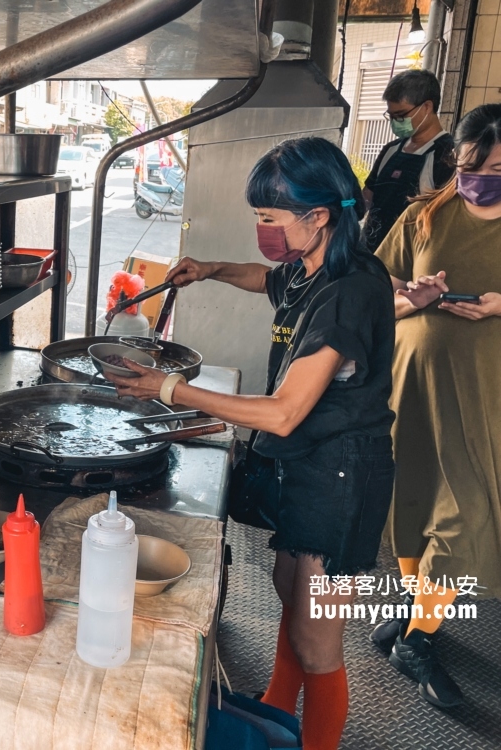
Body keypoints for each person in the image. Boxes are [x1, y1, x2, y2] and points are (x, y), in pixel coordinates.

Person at [106, 138, 396, 750]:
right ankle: (275, 716)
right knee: (290, 600)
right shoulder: (311, 266)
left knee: (318, 640)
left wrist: (171, 389)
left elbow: (286, 412)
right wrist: (209, 269)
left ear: (319, 216)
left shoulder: (351, 291)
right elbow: (267, 279)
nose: (262, 230)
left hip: (342, 477)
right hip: (307, 466)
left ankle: (313, 741)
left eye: (270, 218)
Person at [368, 103, 501, 709]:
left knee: (469, 508)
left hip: (484, 388)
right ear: (456, 160)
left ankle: (417, 639)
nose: (484, 177)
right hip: (413, 380)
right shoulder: (423, 217)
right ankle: (414, 615)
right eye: (475, 165)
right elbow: (375, 287)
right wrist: (410, 298)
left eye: (498, 167)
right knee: (414, 495)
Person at [362, 70, 455, 253]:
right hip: (371, 251)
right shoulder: (391, 150)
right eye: (392, 116)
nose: (396, 121)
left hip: (411, 257)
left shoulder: (447, 155)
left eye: (401, 115)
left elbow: (447, 219)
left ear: (427, 107)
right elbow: (367, 196)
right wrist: (342, 205)